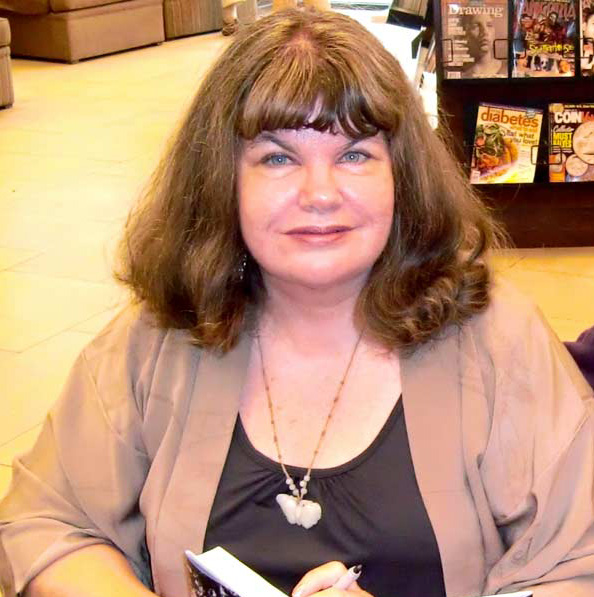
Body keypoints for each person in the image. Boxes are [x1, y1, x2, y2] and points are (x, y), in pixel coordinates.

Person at [1, 8, 594, 597]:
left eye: (355, 155)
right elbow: (44, 524)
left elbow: (580, 563)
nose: (319, 194)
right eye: (277, 158)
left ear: (402, 177)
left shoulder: (497, 337)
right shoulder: (162, 334)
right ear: (221, 180)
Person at [461, 12, 507, 77]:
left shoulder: (509, 69)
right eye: (475, 26)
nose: (485, 32)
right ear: (464, 34)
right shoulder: (453, 72)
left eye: (489, 25)